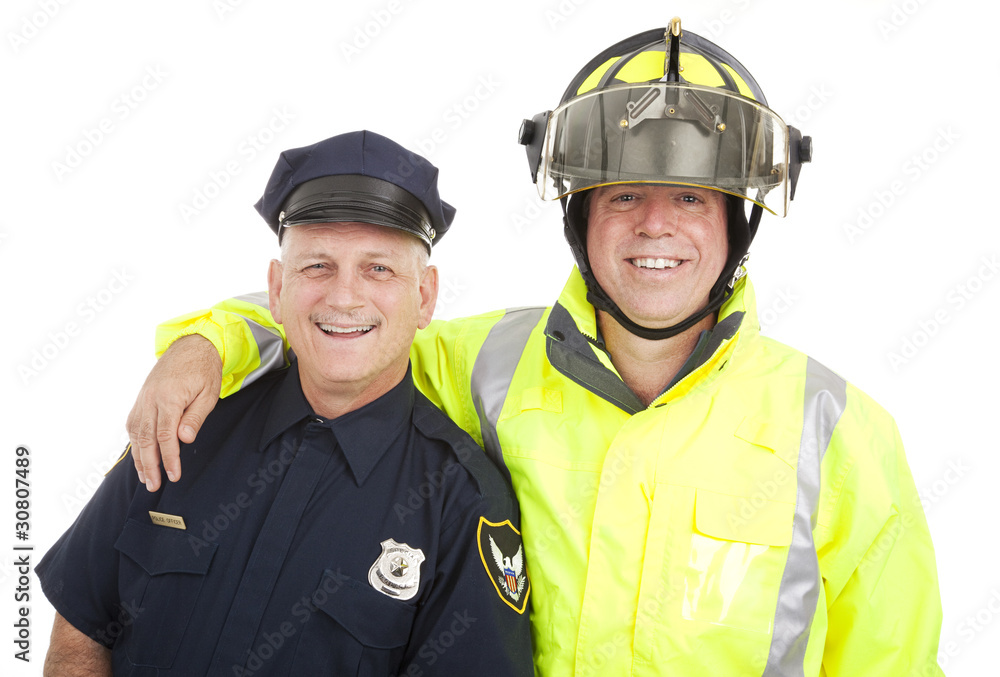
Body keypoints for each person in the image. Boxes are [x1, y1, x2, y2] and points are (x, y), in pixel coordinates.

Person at [126, 21, 946, 676]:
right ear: (579, 218)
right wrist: (209, 342)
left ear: (735, 226)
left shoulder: (836, 431)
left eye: (692, 197)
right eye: (623, 193)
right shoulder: (487, 367)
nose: (655, 224)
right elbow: (346, 325)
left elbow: (896, 664)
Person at [37, 131, 534, 677]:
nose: (344, 297)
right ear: (276, 289)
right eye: (317, 266)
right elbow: (81, 627)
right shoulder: (185, 427)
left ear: (425, 296)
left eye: (379, 269)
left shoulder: (461, 501)